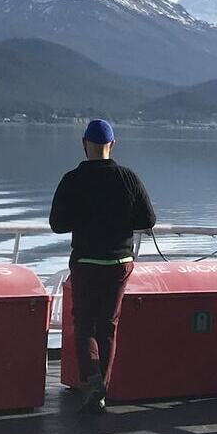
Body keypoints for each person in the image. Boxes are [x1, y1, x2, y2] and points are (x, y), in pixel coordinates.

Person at [49, 119, 156, 414]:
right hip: (119, 263)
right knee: (108, 325)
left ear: (85, 145)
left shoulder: (72, 180)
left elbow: (57, 224)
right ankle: (102, 390)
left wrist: (82, 219)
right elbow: (148, 220)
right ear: (113, 144)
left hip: (86, 262)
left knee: (83, 324)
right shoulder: (128, 178)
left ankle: (92, 380)